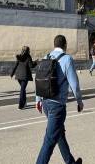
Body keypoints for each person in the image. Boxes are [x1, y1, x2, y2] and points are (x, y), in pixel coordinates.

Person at [35, 35, 83, 164]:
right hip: (57, 106)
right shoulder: (67, 59)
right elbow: (74, 84)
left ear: (54, 44)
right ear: (65, 45)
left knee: (59, 134)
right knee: (50, 140)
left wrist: (37, 99)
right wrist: (79, 101)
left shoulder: (46, 57)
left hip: (45, 102)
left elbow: (40, 79)